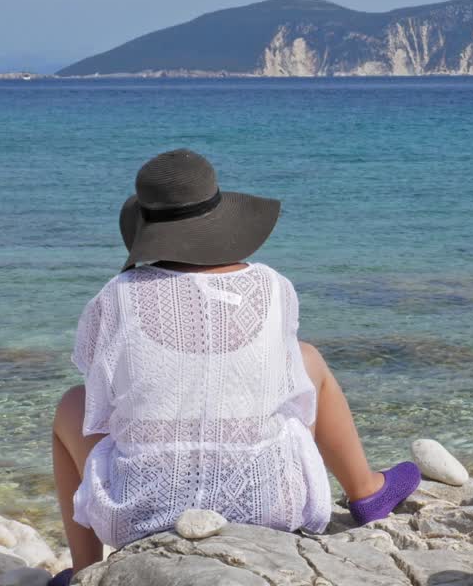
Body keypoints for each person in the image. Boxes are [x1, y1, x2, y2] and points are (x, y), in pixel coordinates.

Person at [48, 148, 420, 581]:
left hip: (141, 513)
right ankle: (366, 489)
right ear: (221, 222)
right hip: (269, 505)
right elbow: (282, 378)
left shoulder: (117, 295)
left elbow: (100, 391)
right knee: (306, 361)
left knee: (72, 404)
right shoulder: (271, 285)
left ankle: (87, 570)